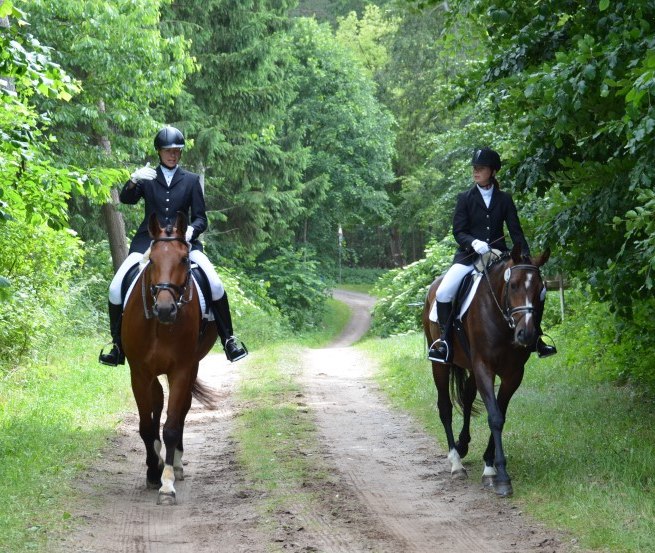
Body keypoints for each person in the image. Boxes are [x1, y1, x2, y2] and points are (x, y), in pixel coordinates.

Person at [99, 126, 248, 366]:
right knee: (116, 287)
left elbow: (201, 217)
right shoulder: (148, 178)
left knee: (216, 284)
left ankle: (229, 340)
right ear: (159, 152)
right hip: (148, 243)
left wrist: (191, 230)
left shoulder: (190, 180)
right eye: (168, 150)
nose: (173, 155)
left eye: (177, 151)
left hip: (183, 243)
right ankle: (117, 346)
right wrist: (133, 180)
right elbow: (127, 200)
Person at [427, 147, 556, 363]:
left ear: (492, 171)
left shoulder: (504, 199)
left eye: (481, 168)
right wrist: (473, 243)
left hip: (499, 256)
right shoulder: (465, 198)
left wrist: (524, 258)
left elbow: (516, 232)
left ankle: (537, 339)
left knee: (538, 292)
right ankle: (445, 343)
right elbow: (459, 231)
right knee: (443, 292)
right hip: (469, 256)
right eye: (474, 168)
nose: (475, 171)